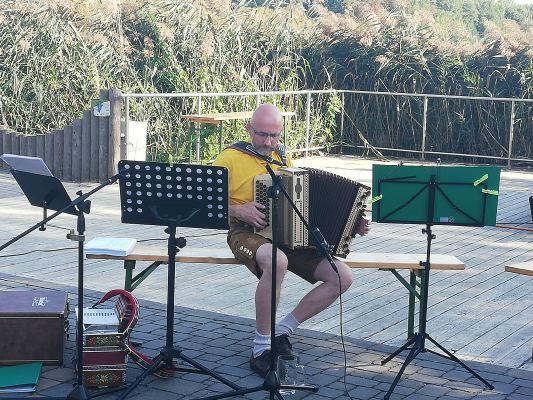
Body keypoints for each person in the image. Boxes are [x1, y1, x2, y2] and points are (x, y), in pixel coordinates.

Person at [213, 104, 370, 377]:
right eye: (262, 134)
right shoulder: (229, 158)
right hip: (245, 231)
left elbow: (301, 200)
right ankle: (261, 348)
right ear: (249, 129)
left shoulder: (283, 157)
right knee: (277, 261)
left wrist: (351, 220)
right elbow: (205, 202)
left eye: (274, 136)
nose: (268, 142)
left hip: (287, 233)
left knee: (341, 276)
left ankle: (282, 331)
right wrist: (237, 210)